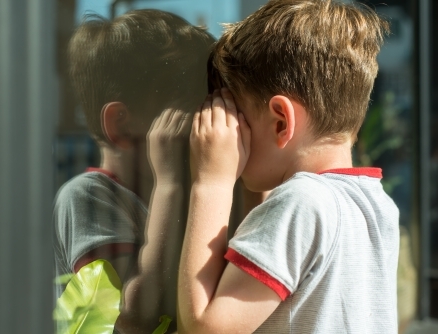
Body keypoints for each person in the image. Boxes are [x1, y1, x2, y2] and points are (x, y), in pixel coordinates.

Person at [178, 0, 399, 333]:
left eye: (237, 120)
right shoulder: (375, 205)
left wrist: (211, 183)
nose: (229, 135)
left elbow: (204, 327)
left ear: (281, 122)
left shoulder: (301, 203)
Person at [52, 9, 214, 333]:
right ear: (120, 125)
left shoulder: (182, 196)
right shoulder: (88, 197)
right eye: (184, 123)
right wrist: (169, 185)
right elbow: (135, 316)